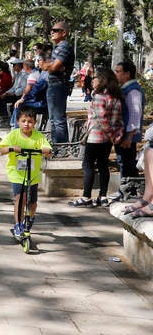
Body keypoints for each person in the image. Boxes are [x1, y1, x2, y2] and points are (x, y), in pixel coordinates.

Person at [68, 68, 124, 208]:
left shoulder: (99, 96)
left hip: (96, 137)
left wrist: (111, 134)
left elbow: (101, 119)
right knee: (103, 165)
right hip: (107, 140)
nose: (93, 80)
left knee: (88, 165)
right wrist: (115, 135)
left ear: (102, 80)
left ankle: (86, 196)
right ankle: (103, 196)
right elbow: (117, 119)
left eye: (95, 78)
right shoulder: (116, 96)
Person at [0, 107, 53, 240]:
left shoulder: (39, 137)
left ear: (35, 123)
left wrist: (45, 150)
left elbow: (48, 150)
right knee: (21, 198)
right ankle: (18, 224)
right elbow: (2, 149)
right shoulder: (13, 135)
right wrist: (12, 148)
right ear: (18, 122)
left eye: (30, 121)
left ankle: (29, 219)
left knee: (33, 203)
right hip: (16, 173)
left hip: (32, 174)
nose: (26, 124)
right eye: (23, 121)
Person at [110, 61, 145, 201]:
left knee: (127, 162)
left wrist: (129, 135)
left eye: (118, 71)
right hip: (123, 133)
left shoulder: (133, 90)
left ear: (127, 74)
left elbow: (135, 114)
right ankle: (126, 189)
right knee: (124, 162)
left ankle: (128, 190)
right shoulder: (125, 88)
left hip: (128, 134)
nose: (116, 74)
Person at [38, 22, 75, 143]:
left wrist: (47, 66)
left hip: (58, 85)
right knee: (53, 119)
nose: (52, 32)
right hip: (53, 84)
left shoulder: (64, 46)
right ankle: (56, 145)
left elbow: (53, 67)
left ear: (64, 33)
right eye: (51, 30)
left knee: (58, 119)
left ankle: (61, 147)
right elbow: (53, 66)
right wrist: (51, 65)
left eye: (55, 30)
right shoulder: (58, 47)